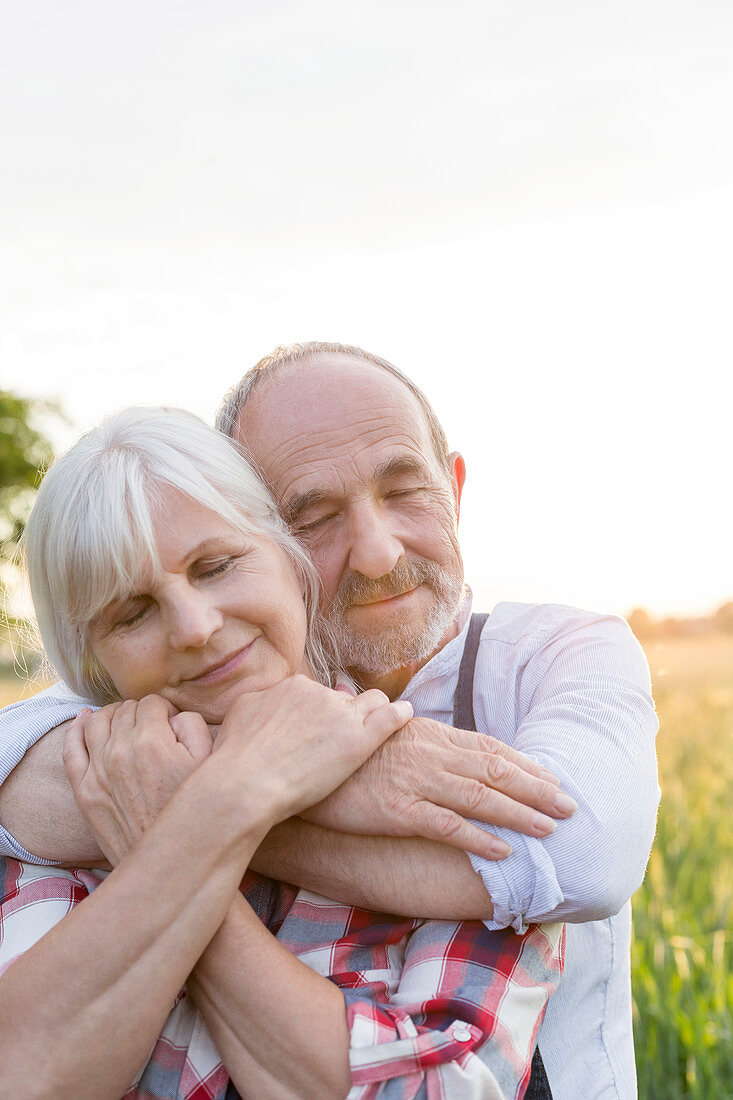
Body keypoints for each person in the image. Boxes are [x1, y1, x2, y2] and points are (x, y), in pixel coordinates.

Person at [0, 342, 659, 1099]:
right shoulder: (112, 739)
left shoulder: (519, 705)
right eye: (314, 518)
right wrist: (243, 790)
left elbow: (572, 857)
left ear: (454, 486)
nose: (377, 555)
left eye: (405, 491)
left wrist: (211, 813)